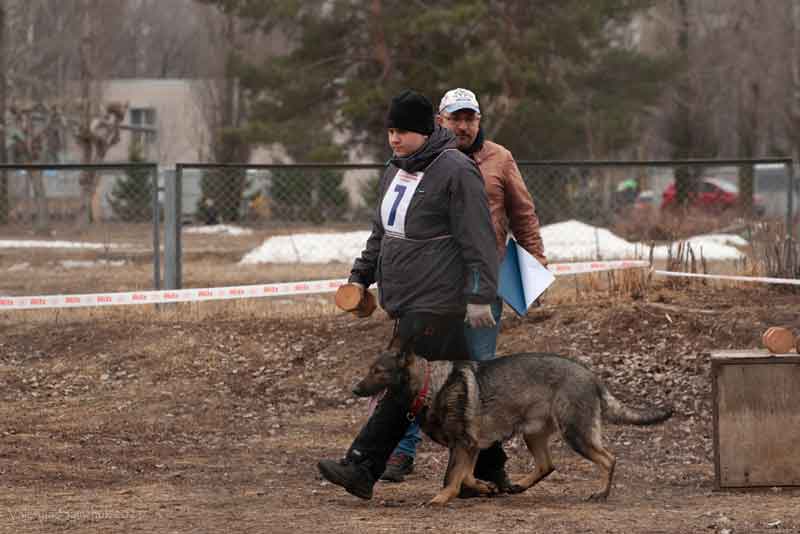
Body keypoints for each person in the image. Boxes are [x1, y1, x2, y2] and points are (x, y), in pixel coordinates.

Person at [317, 89, 498, 500]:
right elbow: (382, 234)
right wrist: (359, 278)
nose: (395, 139)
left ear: (427, 130)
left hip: (439, 301)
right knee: (459, 385)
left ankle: (362, 466)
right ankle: (492, 467)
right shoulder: (395, 169)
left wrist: (480, 295)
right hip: (406, 298)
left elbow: (479, 241)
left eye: (404, 132)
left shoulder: (456, 170)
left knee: (404, 385)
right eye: (391, 130)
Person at [382, 87, 550, 494]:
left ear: (478, 121)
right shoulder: (425, 161)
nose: (462, 125)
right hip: (434, 286)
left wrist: (536, 265)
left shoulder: (500, 159)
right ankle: (402, 452)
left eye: (469, 118)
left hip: (481, 283)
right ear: (439, 121)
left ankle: (488, 467)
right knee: (415, 368)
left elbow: (522, 213)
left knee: (480, 371)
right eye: (454, 118)